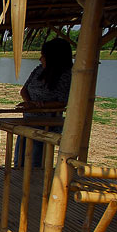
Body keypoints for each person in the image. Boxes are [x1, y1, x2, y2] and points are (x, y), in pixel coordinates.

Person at [15, 37, 74, 167]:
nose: (40, 59)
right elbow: (24, 90)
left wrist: (39, 105)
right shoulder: (38, 70)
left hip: (47, 125)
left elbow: (62, 101)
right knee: (19, 160)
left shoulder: (66, 75)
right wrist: (30, 104)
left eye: (44, 56)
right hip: (28, 121)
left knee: (36, 162)